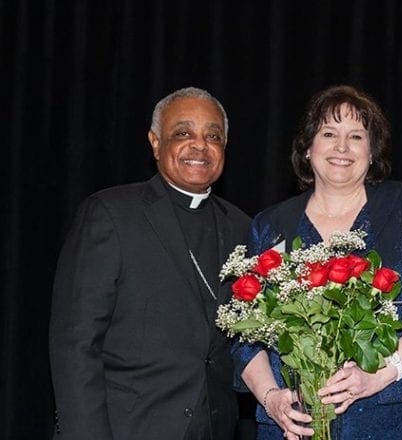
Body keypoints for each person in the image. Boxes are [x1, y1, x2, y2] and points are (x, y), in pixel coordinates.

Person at [232, 85, 402, 439]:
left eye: (356, 136)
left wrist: (380, 374)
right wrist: (272, 399)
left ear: (372, 151)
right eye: (328, 134)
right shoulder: (270, 224)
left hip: (386, 418)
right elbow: (244, 333)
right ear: (308, 148)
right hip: (294, 425)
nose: (342, 147)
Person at [49, 86, 251, 439]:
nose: (200, 145)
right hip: (127, 427)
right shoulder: (111, 214)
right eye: (183, 133)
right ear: (155, 142)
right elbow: (75, 344)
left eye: (213, 136)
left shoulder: (243, 227)